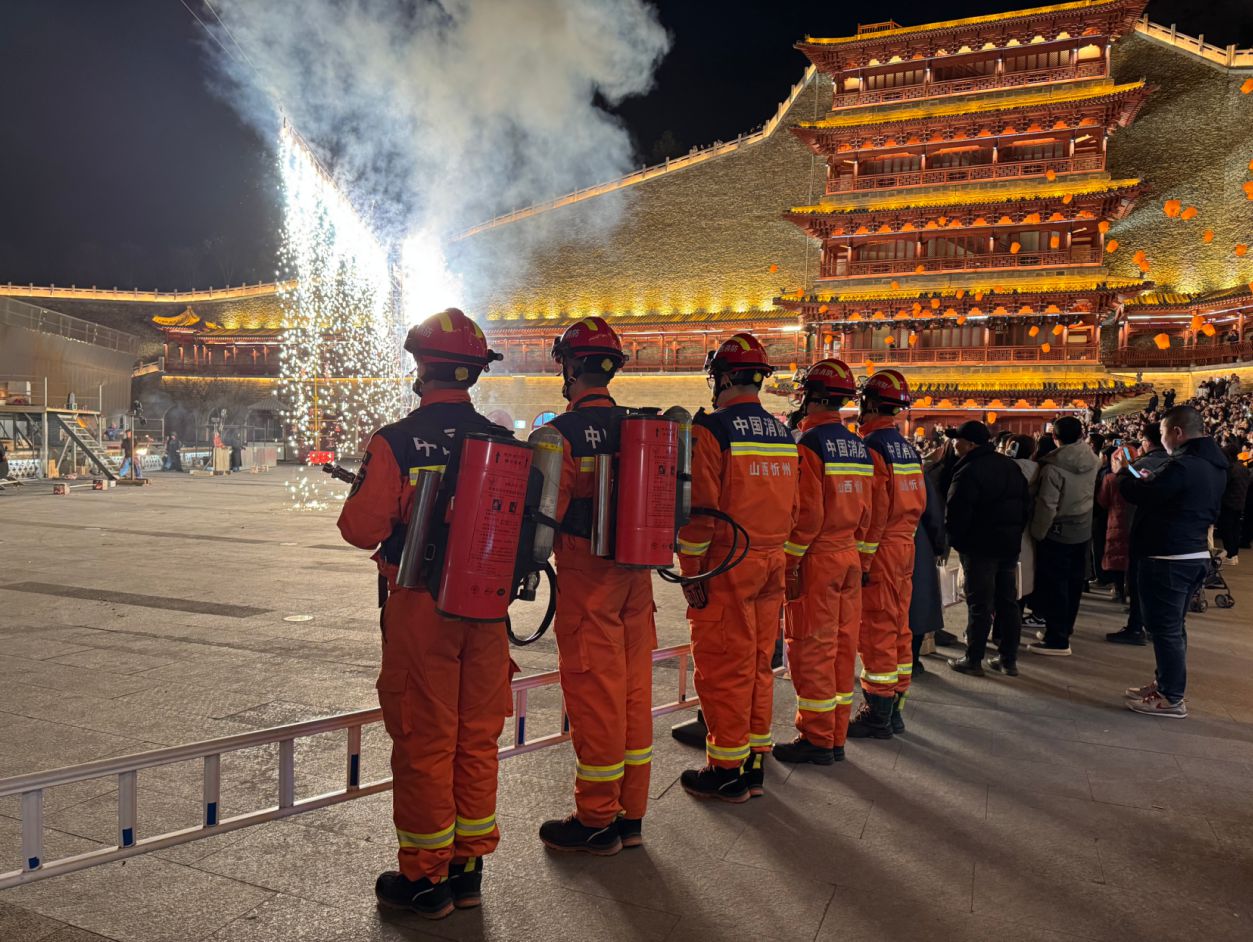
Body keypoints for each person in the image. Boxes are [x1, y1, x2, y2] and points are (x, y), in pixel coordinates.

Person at [337, 308, 512, 919]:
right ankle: (468, 868)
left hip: (421, 607)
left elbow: (361, 530)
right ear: (472, 374)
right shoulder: (504, 441)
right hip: (488, 610)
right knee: (477, 736)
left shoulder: (396, 440)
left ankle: (424, 877)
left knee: (424, 737)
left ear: (420, 367)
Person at [537, 318, 654, 855]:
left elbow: (540, 527)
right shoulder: (644, 428)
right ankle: (630, 815)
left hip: (589, 581)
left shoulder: (558, 435)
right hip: (637, 577)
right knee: (633, 696)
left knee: (597, 697)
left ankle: (596, 818)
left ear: (571, 367)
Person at [676, 332, 797, 801]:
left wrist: (692, 570)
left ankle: (726, 768)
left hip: (727, 564)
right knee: (758, 665)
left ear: (724, 378)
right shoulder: (783, 432)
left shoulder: (713, 430)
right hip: (771, 560)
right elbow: (796, 507)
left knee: (724, 667)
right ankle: (753, 761)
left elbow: (701, 512)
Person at [772, 359, 872, 765]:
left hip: (817, 557)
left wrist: (790, 564)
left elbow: (807, 515)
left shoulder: (809, 446)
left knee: (811, 647)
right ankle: (835, 734)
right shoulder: (859, 446)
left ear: (812, 398)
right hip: (848, 552)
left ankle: (815, 738)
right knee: (843, 646)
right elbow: (869, 512)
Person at [1119, 406, 1227, 718]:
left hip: (1168, 555)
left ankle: (1171, 696)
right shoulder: (1213, 465)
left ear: (1177, 432)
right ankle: (1166, 684)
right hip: (1192, 553)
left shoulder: (1183, 466)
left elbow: (1141, 494)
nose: (1163, 438)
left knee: (1164, 630)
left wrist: (1126, 472)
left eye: (1164, 432)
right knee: (1173, 627)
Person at [847, 370, 926, 739]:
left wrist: (863, 560)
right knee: (898, 626)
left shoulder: (872, 448)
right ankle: (895, 708)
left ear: (871, 405)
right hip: (905, 546)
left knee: (876, 626)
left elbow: (874, 512)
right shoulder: (907, 448)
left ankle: (877, 711)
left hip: (879, 549)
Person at [944, 421, 1031, 677]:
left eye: (957, 439)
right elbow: (1026, 506)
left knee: (980, 603)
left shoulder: (969, 469)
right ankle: (1008, 659)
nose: (953, 443)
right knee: (1007, 601)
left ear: (970, 444)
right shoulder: (1010, 467)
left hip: (979, 546)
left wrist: (958, 542)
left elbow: (958, 511)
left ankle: (973, 659)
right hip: (1008, 545)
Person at [1026, 416, 1097, 656]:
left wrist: (1037, 533)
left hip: (1058, 531)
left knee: (1055, 585)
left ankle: (1057, 639)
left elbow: (1047, 505)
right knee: (1074, 583)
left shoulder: (1053, 467)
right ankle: (1065, 628)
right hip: (1083, 528)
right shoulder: (1092, 458)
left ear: (1054, 437)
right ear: (1080, 436)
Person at [1106, 423, 1174, 646]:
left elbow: (1125, 491)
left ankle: (1136, 627)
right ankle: (1155, 628)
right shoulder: (1176, 463)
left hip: (1142, 526)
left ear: (1147, 442)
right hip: (1171, 532)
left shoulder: (1140, 465)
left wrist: (1120, 473)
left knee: (1139, 581)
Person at [1098, 444, 1136, 604]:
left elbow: (1102, 501)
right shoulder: (1140, 476)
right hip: (1135, 522)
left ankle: (1120, 591)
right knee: (1132, 559)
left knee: (1117, 558)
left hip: (1115, 520)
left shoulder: (1110, 479)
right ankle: (1132, 593)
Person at [1217, 442, 1249, 565]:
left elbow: (1223, 485)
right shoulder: (1243, 468)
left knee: (1227, 530)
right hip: (1240, 502)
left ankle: (1230, 554)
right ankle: (1234, 554)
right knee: (1235, 529)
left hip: (1228, 503)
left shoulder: (1230, 469)